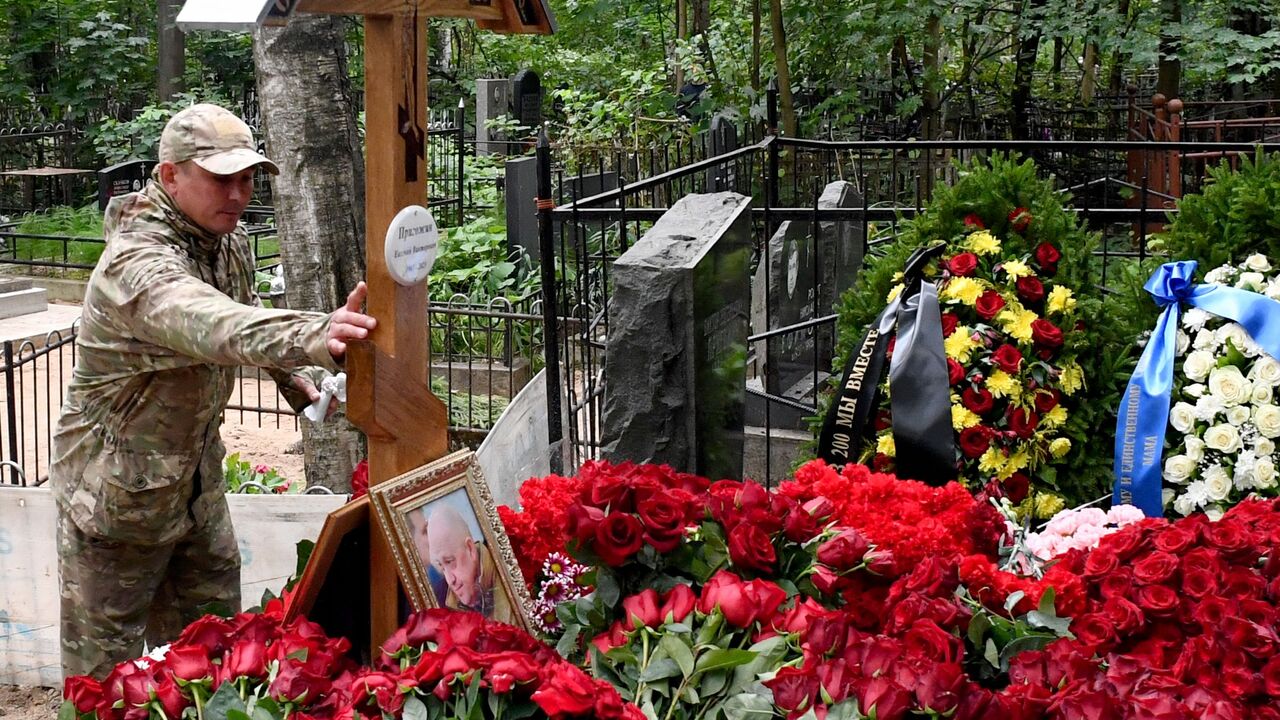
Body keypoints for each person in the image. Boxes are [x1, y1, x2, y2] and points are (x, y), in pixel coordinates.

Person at [51, 103, 377, 680]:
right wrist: (314, 332)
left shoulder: (227, 243)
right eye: (221, 177)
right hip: (114, 506)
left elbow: (242, 315)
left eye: (248, 177)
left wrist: (302, 388)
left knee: (220, 660)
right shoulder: (135, 264)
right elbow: (211, 323)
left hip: (197, 492)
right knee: (103, 685)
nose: (239, 192)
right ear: (170, 174)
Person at [426, 503, 512, 622]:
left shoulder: (508, 572)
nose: (450, 580)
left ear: (470, 549)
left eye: (450, 561)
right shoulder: (445, 606)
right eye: (442, 567)